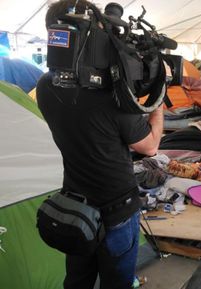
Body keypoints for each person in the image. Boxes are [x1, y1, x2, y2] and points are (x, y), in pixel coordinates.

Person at [37, 1, 164, 288]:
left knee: (78, 280)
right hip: (116, 213)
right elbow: (150, 146)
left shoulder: (44, 87)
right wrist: (158, 104)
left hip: (75, 207)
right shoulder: (112, 95)